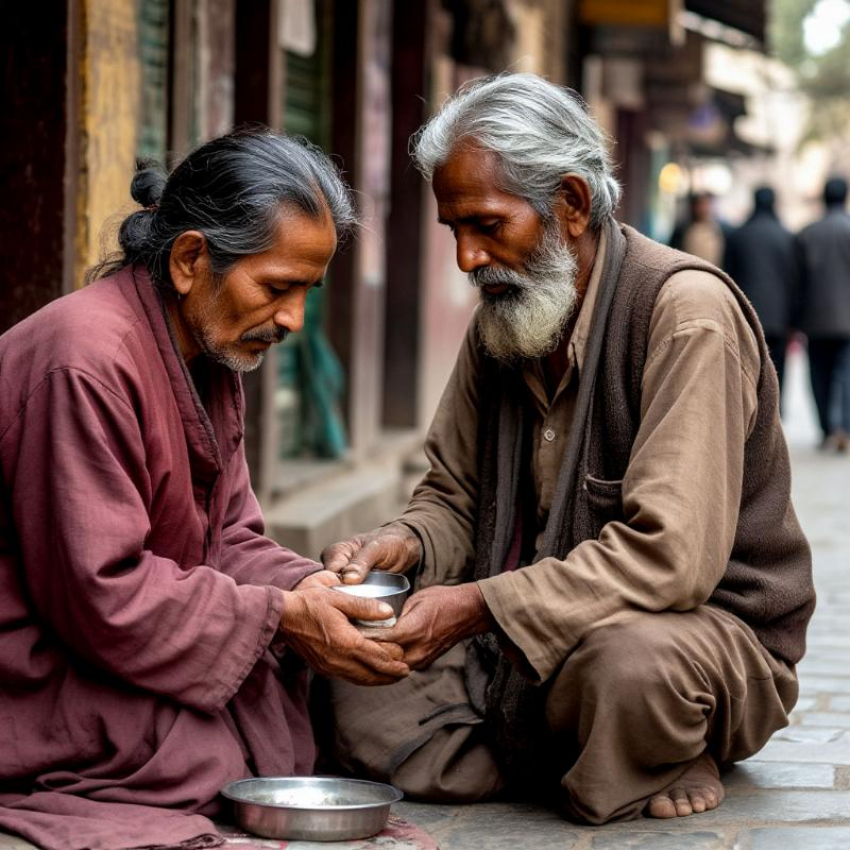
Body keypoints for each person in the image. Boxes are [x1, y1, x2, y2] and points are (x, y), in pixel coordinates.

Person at [320, 74, 815, 825]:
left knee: (627, 671)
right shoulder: (508, 314)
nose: (466, 257)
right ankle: (595, 754)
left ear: (572, 206)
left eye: (487, 225)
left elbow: (671, 559)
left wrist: (477, 607)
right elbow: (454, 495)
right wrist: (405, 544)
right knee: (347, 670)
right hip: (530, 633)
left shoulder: (686, 315)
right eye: (454, 229)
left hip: (695, 632)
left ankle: (634, 737)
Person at [0, 130, 409, 850]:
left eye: (306, 292)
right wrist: (279, 618)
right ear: (191, 260)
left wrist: (314, 587)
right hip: (38, 659)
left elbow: (231, 540)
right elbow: (100, 592)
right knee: (208, 756)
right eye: (276, 287)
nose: (292, 320)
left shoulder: (212, 354)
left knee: (297, 710)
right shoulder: (83, 361)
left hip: (124, 634)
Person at [724, 186, 798, 399]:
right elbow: (794, 279)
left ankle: (748, 410)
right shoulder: (787, 237)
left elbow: (726, 274)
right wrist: (794, 317)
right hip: (780, 316)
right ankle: (774, 408)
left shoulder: (738, 235)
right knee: (779, 367)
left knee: (747, 365)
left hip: (745, 314)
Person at [796, 176, 850, 452]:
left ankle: (827, 429)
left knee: (819, 375)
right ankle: (845, 428)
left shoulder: (808, 233)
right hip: (847, 320)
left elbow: (797, 279)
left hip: (814, 319)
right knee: (846, 374)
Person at [669, 192, 729, 267]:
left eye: (706, 204)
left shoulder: (721, 231)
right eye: (700, 204)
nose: (703, 208)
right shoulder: (682, 231)